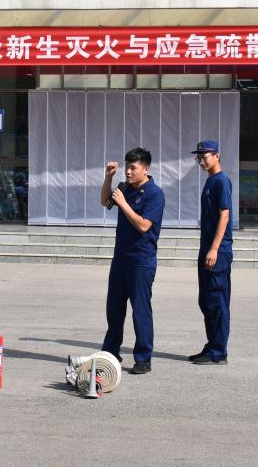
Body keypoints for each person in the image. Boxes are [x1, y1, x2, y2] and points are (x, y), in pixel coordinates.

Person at [100, 147, 165, 375]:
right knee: (114, 309)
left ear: (145, 169)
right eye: (127, 167)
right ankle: (111, 352)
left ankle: (143, 358)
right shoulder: (124, 188)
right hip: (120, 259)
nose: (128, 171)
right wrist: (109, 178)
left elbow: (144, 225)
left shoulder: (155, 194)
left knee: (140, 312)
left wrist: (124, 204)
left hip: (141, 261)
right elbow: (104, 201)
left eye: (133, 168)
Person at [190, 140, 232, 365]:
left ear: (217, 155)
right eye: (199, 157)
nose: (201, 160)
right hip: (207, 248)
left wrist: (214, 248)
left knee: (217, 301)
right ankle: (212, 345)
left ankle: (218, 352)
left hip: (218, 251)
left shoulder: (221, 181)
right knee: (206, 301)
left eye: (205, 156)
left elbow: (224, 214)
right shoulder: (210, 180)